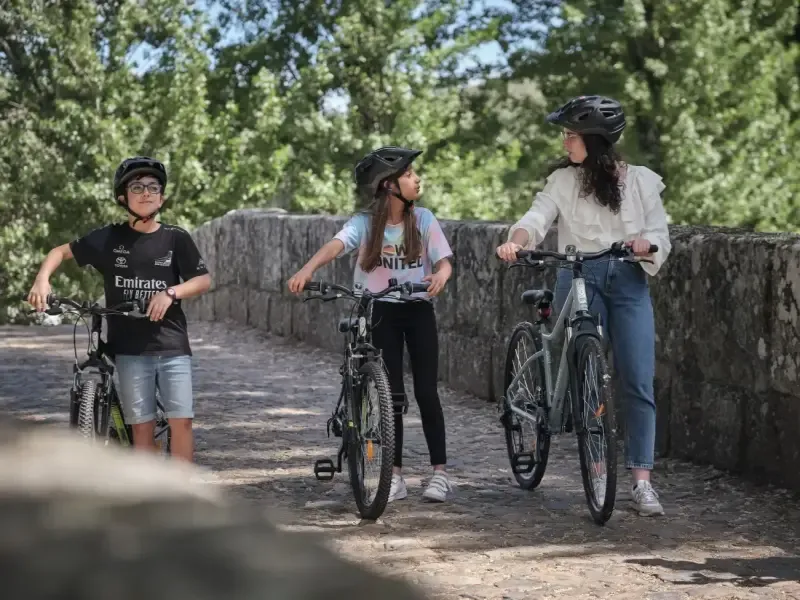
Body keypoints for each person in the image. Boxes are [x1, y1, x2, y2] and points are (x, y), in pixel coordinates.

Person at [496, 95, 672, 517]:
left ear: (594, 140)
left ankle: (642, 482)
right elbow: (536, 218)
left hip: (627, 277)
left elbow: (659, 233)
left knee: (638, 379)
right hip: (577, 272)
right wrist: (515, 242)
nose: (565, 142)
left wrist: (646, 243)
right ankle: (596, 468)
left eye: (571, 135)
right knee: (582, 374)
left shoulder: (641, 181)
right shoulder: (563, 181)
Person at [287, 146, 454, 503]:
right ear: (388, 185)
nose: (416, 179)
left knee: (427, 391)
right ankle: (395, 476)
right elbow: (336, 245)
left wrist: (441, 274)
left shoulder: (423, 219)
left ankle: (440, 474)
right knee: (391, 396)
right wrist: (308, 269)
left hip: (418, 309)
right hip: (380, 311)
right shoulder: (364, 223)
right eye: (408, 174)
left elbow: (444, 261)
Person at [26, 156, 212, 463]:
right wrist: (42, 280)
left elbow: (203, 280)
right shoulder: (109, 237)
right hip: (129, 348)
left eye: (153, 187)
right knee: (141, 427)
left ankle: (181, 486)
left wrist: (171, 292)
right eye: (137, 187)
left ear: (162, 198)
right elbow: (59, 252)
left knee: (181, 421)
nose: (146, 192)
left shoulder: (175, 237)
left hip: (171, 345)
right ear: (123, 197)